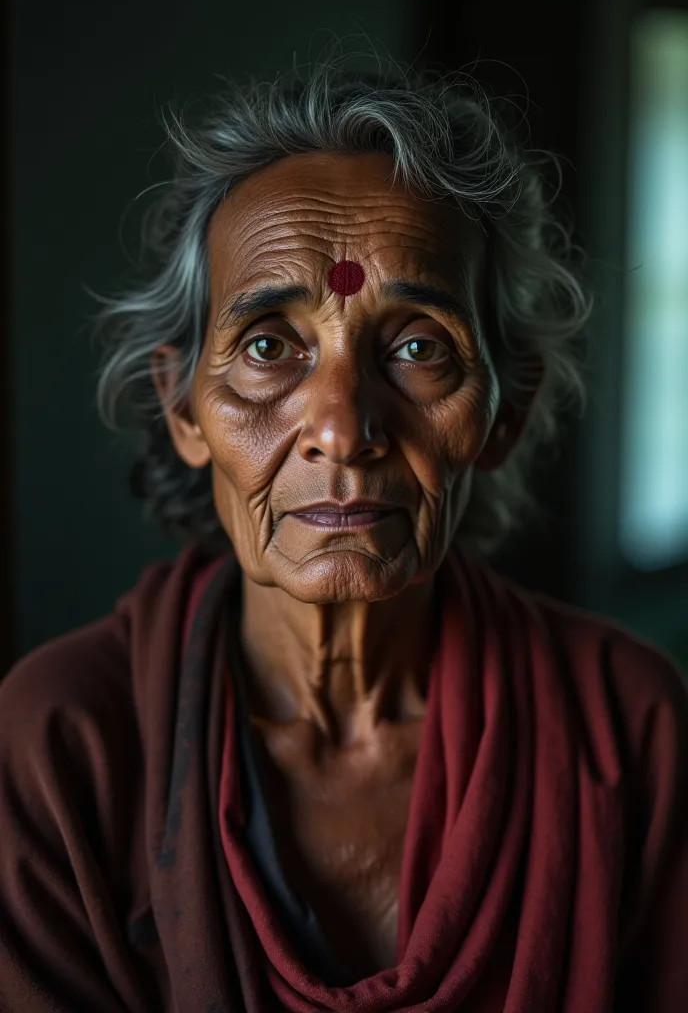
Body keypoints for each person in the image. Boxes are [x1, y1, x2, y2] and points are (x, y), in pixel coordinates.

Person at [1, 58, 686, 1013]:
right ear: (183, 409)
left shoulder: (627, 727)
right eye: (270, 346)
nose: (341, 426)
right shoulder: (60, 744)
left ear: (506, 410)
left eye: (418, 347)